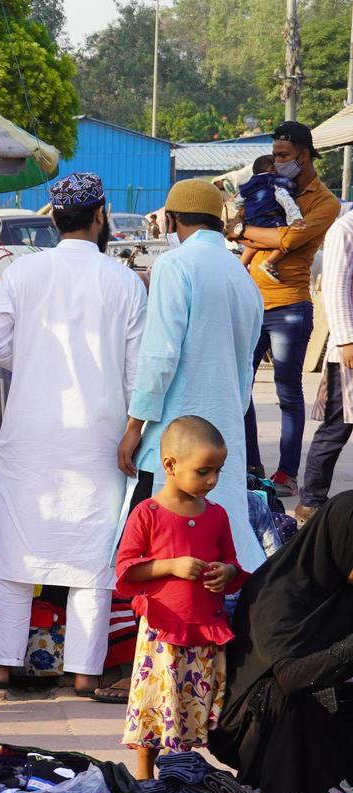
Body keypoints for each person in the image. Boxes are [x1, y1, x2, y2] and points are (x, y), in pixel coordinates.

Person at [0, 173, 147, 702]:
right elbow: (138, 372)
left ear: (53, 218)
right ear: (100, 217)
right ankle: (85, 675)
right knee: (91, 559)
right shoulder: (124, 281)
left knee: (13, 553)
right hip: (100, 439)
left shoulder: (24, 272)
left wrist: (31, 364)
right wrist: (134, 430)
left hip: (29, 433)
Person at [116, 179, 265, 570]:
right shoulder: (243, 278)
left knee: (163, 550)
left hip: (176, 435)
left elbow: (160, 355)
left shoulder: (175, 264)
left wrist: (134, 426)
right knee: (219, 546)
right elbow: (245, 367)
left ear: (172, 220)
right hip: (223, 432)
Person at [115, 417, 245, 780]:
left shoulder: (217, 515)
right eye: (203, 471)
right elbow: (126, 569)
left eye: (217, 471)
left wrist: (228, 572)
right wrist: (170, 566)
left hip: (204, 627)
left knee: (190, 704)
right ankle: (144, 775)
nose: (212, 481)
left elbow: (232, 559)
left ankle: (181, 772)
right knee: (155, 702)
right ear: (170, 465)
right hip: (162, 630)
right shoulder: (149, 513)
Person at [208, 492, 353, 793]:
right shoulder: (277, 592)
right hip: (258, 722)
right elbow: (291, 676)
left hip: (327, 694)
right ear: (341, 539)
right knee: (292, 695)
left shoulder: (343, 587)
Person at [235, 122, 340, 496]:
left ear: (304, 156)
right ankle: (251, 466)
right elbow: (236, 226)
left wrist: (247, 232)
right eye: (275, 155)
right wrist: (245, 230)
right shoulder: (272, 187)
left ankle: (286, 473)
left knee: (288, 393)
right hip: (251, 303)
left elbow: (291, 237)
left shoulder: (324, 201)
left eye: (283, 156)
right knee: (239, 387)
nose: (277, 163)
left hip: (290, 307)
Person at [295, 204, 353, 523]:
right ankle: (311, 501)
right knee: (336, 428)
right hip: (348, 351)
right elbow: (335, 289)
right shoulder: (345, 229)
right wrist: (346, 339)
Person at [235, 154, 306, 282]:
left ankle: (242, 264)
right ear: (273, 168)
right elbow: (284, 197)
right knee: (286, 240)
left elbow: (239, 199)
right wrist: (295, 217)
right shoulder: (275, 180)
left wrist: (242, 209)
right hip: (270, 218)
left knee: (254, 242)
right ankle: (269, 262)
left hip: (251, 220)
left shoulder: (249, 183)